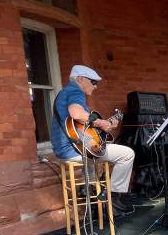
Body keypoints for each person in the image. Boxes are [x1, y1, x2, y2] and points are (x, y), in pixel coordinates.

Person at [51, 65, 135, 215]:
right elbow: (76, 114)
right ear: (80, 79)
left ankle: (87, 187)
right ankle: (114, 196)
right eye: (94, 82)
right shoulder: (75, 91)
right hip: (74, 150)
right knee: (127, 154)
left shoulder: (64, 93)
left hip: (64, 149)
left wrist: (105, 127)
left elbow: (82, 127)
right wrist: (102, 123)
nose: (95, 87)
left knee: (94, 153)